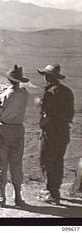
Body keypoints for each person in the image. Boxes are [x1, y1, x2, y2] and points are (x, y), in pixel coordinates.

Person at [0, 64, 29, 207]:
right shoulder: (24, 94)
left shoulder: (3, 95)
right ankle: (18, 197)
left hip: (4, 129)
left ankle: (0, 197)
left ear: (9, 80)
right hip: (18, 130)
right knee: (16, 163)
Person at [36, 63, 74, 205]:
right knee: (57, 160)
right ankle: (54, 190)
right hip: (63, 132)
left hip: (51, 133)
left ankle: (51, 193)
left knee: (46, 160)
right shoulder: (67, 91)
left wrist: (42, 123)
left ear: (47, 76)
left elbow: (48, 115)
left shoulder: (50, 92)